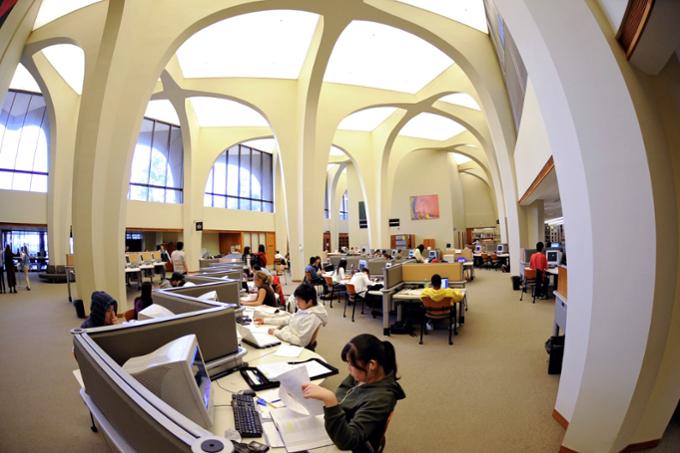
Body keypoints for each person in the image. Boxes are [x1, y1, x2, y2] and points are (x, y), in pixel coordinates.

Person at [302, 334, 405, 452]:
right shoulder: (363, 375)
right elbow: (342, 395)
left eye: (351, 364)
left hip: (353, 444)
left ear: (371, 365)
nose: (349, 368)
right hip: (341, 425)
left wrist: (330, 401)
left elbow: (347, 442)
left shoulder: (381, 399)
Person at [255, 283, 328, 347]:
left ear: (310, 301)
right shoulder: (306, 308)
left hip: (293, 345)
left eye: (299, 300)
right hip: (286, 336)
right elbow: (289, 319)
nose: (296, 303)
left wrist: (277, 332)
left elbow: (300, 342)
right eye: (296, 299)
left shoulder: (312, 318)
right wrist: (265, 320)